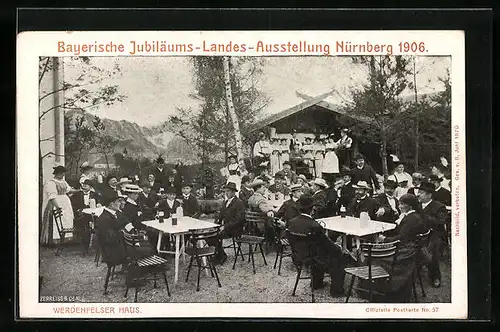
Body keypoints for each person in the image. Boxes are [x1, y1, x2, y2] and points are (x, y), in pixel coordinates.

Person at [287, 195, 351, 297]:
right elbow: (327, 245)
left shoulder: (291, 222)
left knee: (317, 252)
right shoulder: (314, 225)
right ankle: (337, 291)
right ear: (312, 209)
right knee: (340, 257)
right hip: (313, 258)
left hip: (297, 256)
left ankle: (316, 283)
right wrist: (339, 248)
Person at [373, 194, 428, 302]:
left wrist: (384, 239)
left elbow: (401, 238)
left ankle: (381, 291)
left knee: (374, 256)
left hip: (406, 253)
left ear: (410, 206)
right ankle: (382, 289)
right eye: (400, 203)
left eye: (402, 204)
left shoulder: (411, 219)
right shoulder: (411, 216)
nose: (399, 206)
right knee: (376, 251)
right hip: (411, 249)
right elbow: (402, 233)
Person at [416, 181, 449, 288]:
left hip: (435, 234)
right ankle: (412, 272)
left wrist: (423, 216)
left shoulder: (439, 207)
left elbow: (440, 222)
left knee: (431, 250)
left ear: (429, 195)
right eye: (418, 191)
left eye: (421, 192)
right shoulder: (416, 205)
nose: (418, 194)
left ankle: (435, 276)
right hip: (419, 232)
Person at [41, 165, 79, 246]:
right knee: (57, 221)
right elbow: (52, 196)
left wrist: (78, 190)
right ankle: (55, 240)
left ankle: (64, 239)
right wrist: (58, 207)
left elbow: (68, 190)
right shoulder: (51, 183)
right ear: (58, 173)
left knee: (66, 219)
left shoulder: (63, 182)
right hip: (56, 202)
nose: (63, 175)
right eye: (62, 174)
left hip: (65, 203)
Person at [211, 182, 246, 265]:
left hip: (235, 229)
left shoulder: (239, 203)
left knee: (216, 236)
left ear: (234, 192)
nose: (226, 193)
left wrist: (225, 227)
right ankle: (219, 254)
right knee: (210, 235)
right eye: (225, 191)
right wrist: (216, 224)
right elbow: (220, 216)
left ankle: (221, 257)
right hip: (227, 227)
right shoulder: (225, 202)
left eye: (229, 191)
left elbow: (239, 219)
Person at [95, 193, 129, 268]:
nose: (120, 203)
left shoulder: (114, 214)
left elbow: (125, 223)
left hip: (119, 246)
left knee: (144, 246)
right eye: (118, 202)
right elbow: (110, 238)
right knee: (145, 250)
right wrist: (125, 234)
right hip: (113, 252)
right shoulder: (104, 218)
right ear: (111, 204)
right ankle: (134, 275)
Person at [71, 179, 102, 253]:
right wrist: (78, 210)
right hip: (80, 215)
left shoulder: (95, 194)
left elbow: (99, 203)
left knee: (95, 222)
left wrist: (98, 204)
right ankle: (85, 245)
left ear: (90, 187)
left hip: (91, 215)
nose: (84, 186)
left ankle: (94, 243)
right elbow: (73, 205)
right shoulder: (77, 194)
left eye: (86, 185)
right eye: (83, 185)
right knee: (85, 226)